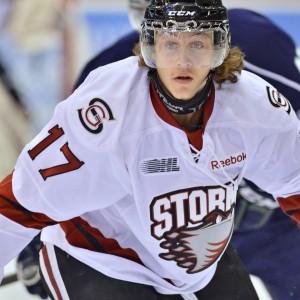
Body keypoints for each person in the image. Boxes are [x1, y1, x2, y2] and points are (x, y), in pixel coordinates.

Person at [1, 0, 300, 299]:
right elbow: (19, 202)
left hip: (198, 253)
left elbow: (296, 184)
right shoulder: (107, 110)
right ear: (150, 47)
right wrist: (31, 245)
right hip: (101, 258)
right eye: (170, 44)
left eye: (197, 44)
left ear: (219, 49)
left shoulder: (256, 104)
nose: (183, 61)